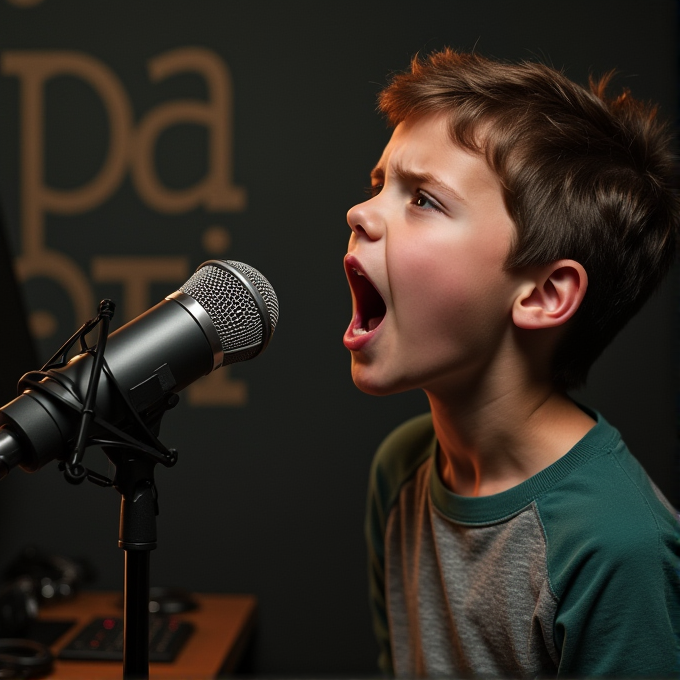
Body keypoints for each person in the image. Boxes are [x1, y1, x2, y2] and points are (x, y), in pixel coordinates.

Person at [343, 49, 680, 677]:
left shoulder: (616, 546)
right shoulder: (402, 471)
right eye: (378, 185)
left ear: (543, 294)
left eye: (423, 200)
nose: (360, 214)